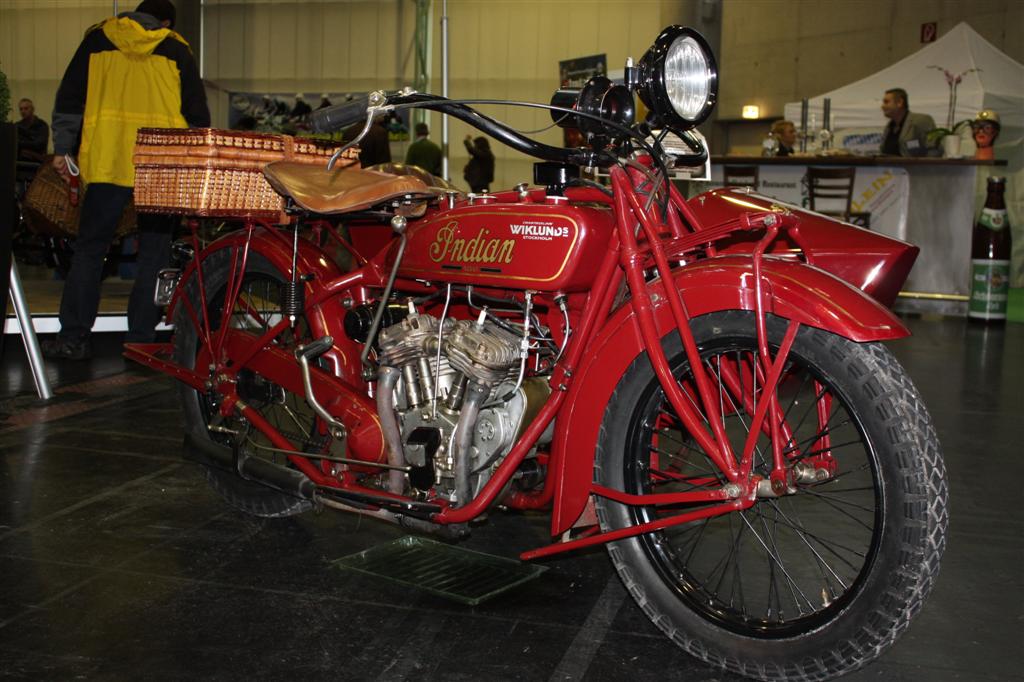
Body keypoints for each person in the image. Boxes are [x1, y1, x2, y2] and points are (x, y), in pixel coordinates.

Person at [43, 0, 210, 360]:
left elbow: (70, 98)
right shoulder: (176, 48)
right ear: (165, 22)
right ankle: (142, 339)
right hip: (160, 163)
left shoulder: (98, 40)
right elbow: (197, 115)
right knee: (155, 252)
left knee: (90, 250)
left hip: (107, 157)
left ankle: (73, 338)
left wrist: (63, 149)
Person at [879, 88, 934, 157]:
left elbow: (934, 150)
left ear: (900, 102)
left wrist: (923, 167)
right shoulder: (889, 127)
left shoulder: (921, 121)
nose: (882, 106)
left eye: (886, 102)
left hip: (916, 167)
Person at [16, 98, 49, 163]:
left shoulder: (42, 125)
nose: (23, 111)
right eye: (21, 109)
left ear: (32, 109)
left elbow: (39, 144)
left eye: (26, 108)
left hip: (37, 162)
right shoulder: (17, 125)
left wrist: (21, 143)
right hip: (19, 160)